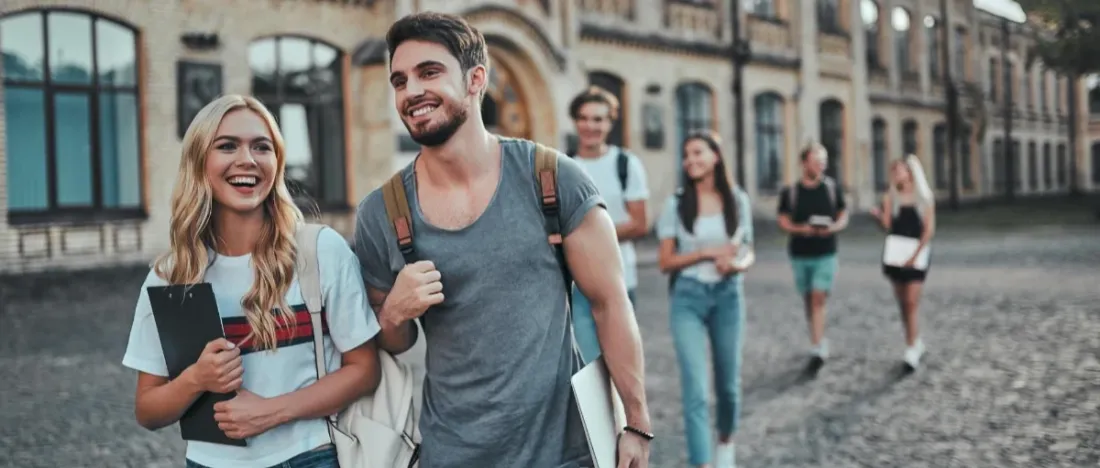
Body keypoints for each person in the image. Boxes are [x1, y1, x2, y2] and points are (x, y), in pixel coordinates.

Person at [352, 12, 652, 468]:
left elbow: (610, 303)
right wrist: (394, 310)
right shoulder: (383, 213)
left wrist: (635, 421)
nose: (411, 91)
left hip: (563, 453)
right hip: (453, 453)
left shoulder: (551, 180)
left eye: (429, 72)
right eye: (399, 80)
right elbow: (391, 341)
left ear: (476, 80)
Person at [121, 94, 382, 468]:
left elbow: (364, 369)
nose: (247, 159)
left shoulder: (319, 251)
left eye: (262, 147)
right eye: (227, 146)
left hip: (309, 457)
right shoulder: (170, 275)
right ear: (199, 160)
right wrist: (196, 379)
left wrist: (273, 412)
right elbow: (148, 410)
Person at [657, 131, 753, 468]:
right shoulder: (677, 203)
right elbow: (666, 262)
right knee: (696, 390)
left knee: (728, 386)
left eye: (698, 152)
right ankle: (702, 463)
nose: (691, 160)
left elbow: (747, 248)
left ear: (716, 156)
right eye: (686, 155)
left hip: (728, 298)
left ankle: (725, 440)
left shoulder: (737, 200)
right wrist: (706, 253)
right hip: (688, 299)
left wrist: (736, 264)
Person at [567, 85, 650, 364]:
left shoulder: (625, 163)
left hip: (620, 281)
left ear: (610, 123)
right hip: (577, 286)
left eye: (599, 119)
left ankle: (625, 411)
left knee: (621, 366)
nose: (591, 125)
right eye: (584, 118)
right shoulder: (562, 165)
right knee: (589, 369)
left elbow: (639, 223)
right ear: (576, 122)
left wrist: (588, 236)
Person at [776, 142, 848, 365]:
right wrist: (802, 229)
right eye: (817, 161)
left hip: (826, 252)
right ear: (804, 163)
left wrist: (834, 228)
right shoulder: (791, 192)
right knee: (809, 298)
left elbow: (843, 213)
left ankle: (818, 346)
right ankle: (816, 336)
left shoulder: (832, 188)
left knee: (818, 297)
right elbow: (783, 220)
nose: (821, 166)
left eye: (824, 162)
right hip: (800, 253)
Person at [869, 154, 935, 370]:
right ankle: (915, 342)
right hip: (895, 255)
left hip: (916, 255)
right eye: (893, 171)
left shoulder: (924, 197)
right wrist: (878, 216)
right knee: (902, 304)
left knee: (911, 301)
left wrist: (914, 257)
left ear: (910, 172)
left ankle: (911, 349)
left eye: (899, 170)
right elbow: (888, 225)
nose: (896, 174)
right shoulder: (891, 196)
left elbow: (928, 231)